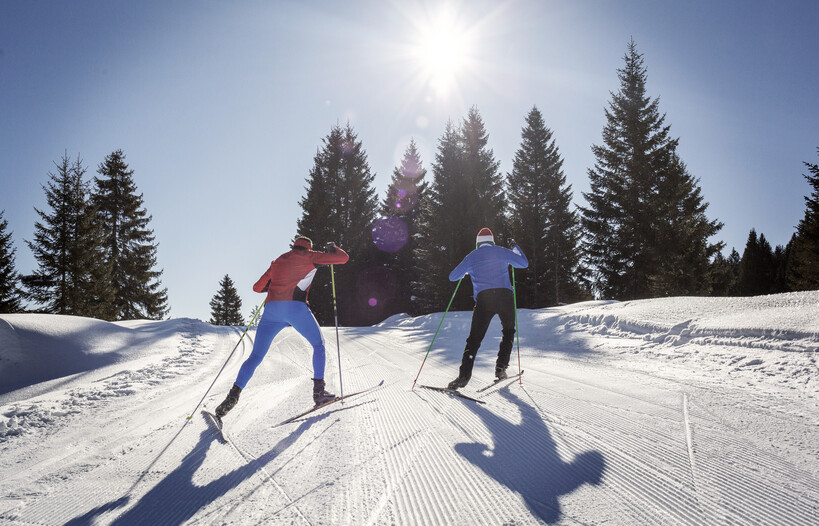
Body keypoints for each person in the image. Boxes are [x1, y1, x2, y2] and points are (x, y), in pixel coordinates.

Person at [214, 236, 349, 419]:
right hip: (295, 308)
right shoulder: (311, 256)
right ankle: (319, 393)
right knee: (318, 345)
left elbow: (257, 288)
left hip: (272, 311)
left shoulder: (277, 261)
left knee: (256, 356)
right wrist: (333, 248)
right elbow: (343, 258)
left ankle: (233, 396)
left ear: (294, 246)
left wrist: (272, 286)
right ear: (309, 247)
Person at [447, 228, 528, 389]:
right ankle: (501, 368)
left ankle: (463, 377)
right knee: (508, 331)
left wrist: (466, 272)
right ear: (492, 241)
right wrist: (514, 246)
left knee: (474, 339)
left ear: (478, 243)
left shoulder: (472, 256)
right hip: (505, 298)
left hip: (484, 301)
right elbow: (524, 263)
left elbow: (452, 277)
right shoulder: (501, 251)